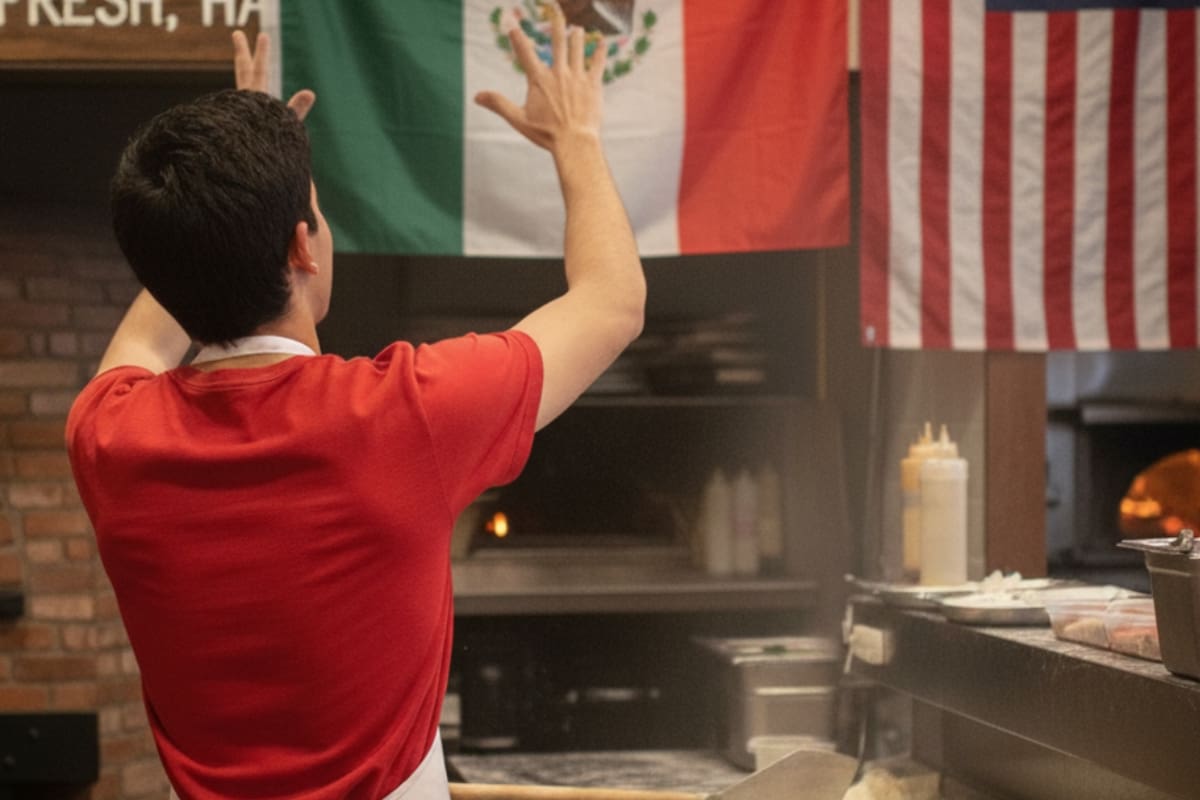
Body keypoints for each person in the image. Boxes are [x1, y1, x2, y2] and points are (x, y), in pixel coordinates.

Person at [65, 6, 644, 799]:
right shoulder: (406, 415)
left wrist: (220, 198)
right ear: (303, 245)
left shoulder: (107, 436)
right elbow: (613, 301)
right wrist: (574, 138)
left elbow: (160, 316)